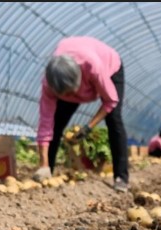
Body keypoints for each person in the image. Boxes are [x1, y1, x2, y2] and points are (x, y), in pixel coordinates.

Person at [32, 36, 129, 192]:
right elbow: (45, 123)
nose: (71, 97)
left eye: (71, 92)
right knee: (56, 125)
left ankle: (121, 178)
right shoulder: (50, 84)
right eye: (65, 94)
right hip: (70, 79)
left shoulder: (94, 67)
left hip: (110, 67)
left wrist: (89, 127)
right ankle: (47, 170)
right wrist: (42, 163)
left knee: (114, 120)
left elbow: (110, 101)